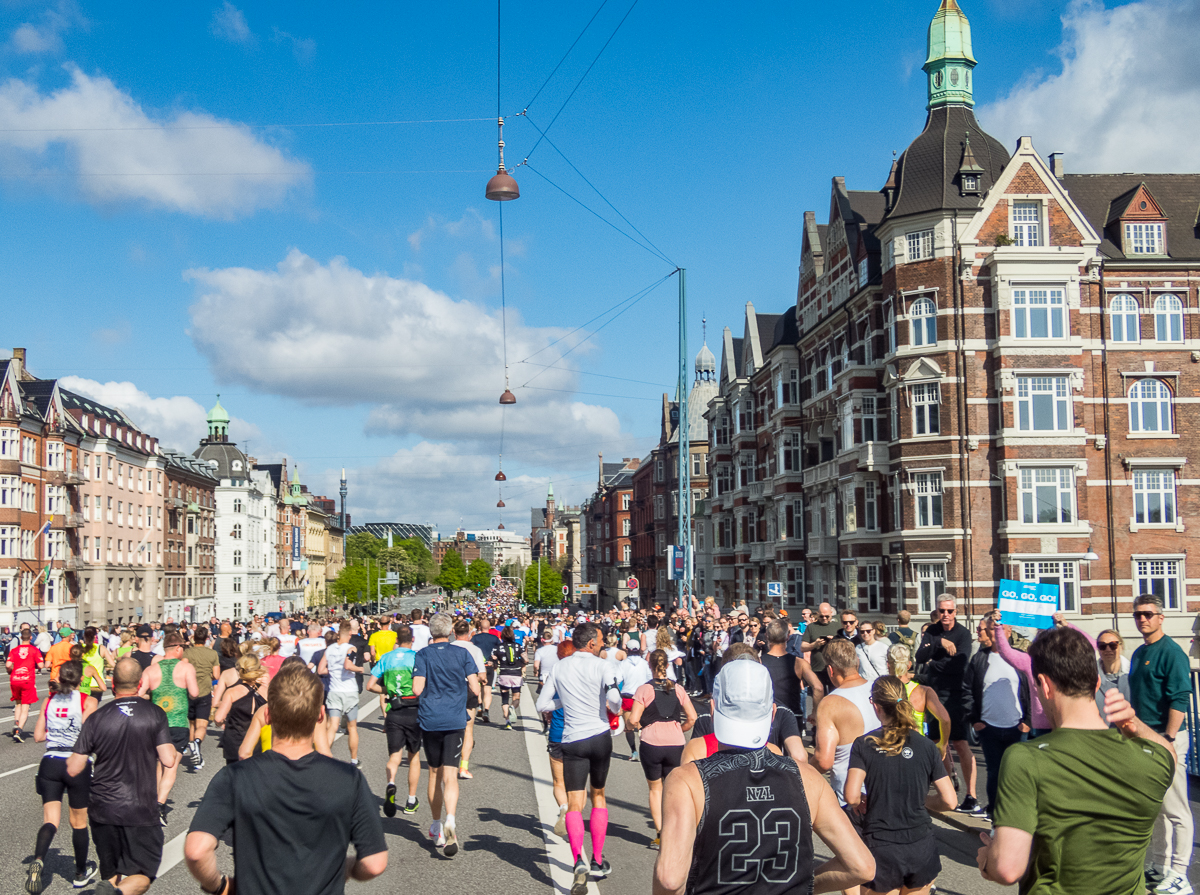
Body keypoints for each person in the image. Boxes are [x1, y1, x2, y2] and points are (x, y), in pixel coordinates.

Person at [976, 626, 1175, 895]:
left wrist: (988, 859)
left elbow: (1007, 869)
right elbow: (1168, 753)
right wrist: (1133, 724)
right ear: (1095, 683)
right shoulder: (1150, 761)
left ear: (1044, 686)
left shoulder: (1026, 758)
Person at [652, 659, 875, 895]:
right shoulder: (808, 778)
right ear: (772, 713)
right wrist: (804, 885)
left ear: (713, 709)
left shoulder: (687, 780)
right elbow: (862, 866)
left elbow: (670, 879)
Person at [185, 664, 388, 895]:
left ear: (268, 715)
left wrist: (220, 886)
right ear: (320, 715)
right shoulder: (349, 779)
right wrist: (348, 868)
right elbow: (374, 863)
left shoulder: (235, 777)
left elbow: (196, 851)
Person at [66, 657, 177, 895]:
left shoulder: (97, 717)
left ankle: (108, 891)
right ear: (140, 683)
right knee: (142, 876)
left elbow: (74, 767)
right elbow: (168, 759)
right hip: (140, 808)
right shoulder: (155, 714)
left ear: (113, 683)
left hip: (103, 807)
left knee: (111, 875)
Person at [844, 675, 957, 895]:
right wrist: (922, 800)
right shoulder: (926, 746)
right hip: (921, 845)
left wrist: (861, 800)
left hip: (883, 845)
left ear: (875, 705)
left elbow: (851, 796)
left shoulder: (864, 744)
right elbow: (950, 801)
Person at [535, 622, 622, 894]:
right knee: (598, 795)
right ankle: (597, 858)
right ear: (592, 644)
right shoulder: (602, 665)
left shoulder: (560, 666)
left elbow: (541, 704)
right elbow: (615, 697)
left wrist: (563, 703)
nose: (602, 645)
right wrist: (614, 709)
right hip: (598, 736)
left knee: (574, 803)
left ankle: (577, 861)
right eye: (600, 641)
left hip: (572, 738)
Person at [1129, 594, 1194, 894]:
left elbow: (1180, 698)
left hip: (1167, 740)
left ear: (1160, 617)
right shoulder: (1140, 652)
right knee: (1156, 808)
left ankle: (1181, 874)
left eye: (1148, 614)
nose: (1143, 619)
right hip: (1145, 740)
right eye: (1138, 615)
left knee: (1177, 808)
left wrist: (1168, 739)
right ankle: (1160, 865)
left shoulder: (1172, 653)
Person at [26, 660, 100, 894]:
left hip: (50, 762)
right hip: (75, 763)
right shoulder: (88, 701)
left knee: (51, 820)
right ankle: (80, 873)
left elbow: (38, 736)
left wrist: (56, 731)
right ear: (80, 680)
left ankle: (38, 859)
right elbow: (90, 738)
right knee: (78, 823)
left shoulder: (48, 701)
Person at [412, 613, 481, 857]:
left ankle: (435, 824)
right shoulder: (463, 654)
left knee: (434, 773)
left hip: (431, 719)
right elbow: (474, 686)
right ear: (450, 631)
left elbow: (417, 688)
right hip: (455, 719)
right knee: (451, 775)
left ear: (431, 632)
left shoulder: (423, 655)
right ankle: (451, 820)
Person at [914, 595, 977, 813]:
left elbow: (959, 663)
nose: (946, 615)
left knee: (959, 743)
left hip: (954, 693)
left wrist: (935, 663)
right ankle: (949, 791)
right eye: (942, 611)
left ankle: (971, 795)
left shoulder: (963, 634)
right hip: (934, 692)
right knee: (937, 743)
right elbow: (920, 658)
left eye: (949, 611)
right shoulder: (932, 631)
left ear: (955, 612)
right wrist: (939, 643)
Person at [628, 649, 697, 847]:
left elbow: (633, 719)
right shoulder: (678, 689)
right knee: (674, 789)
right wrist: (679, 729)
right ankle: (678, 830)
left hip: (652, 743)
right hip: (675, 743)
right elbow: (692, 718)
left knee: (655, 789)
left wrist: (640, 726)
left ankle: (661, 834)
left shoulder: (644, 690)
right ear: (668, 665)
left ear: (650, 666)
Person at [963, 617, 1028, 820]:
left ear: (1009, 632)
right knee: (993, 772)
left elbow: (1030, 691)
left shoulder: (1019, 658)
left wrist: (1028, 722)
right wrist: (975, 720)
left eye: (999, 628)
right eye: (991, 628)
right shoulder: (980, 659)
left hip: (1017, 726)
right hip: (988, 726)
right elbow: (967, 690)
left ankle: (1015, 814)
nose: (994, 632)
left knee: (1017, 773)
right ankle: (993, 812)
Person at [137, 632, 198, 826]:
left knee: (158, 764)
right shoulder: (186, 667)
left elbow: (139, 694)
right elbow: (195, 693)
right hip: (178, 722)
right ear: (178, 648)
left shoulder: (151, 669)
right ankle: (159, 805)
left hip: (155, 723)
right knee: (171, 766)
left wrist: (153, 697)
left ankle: (152, 801)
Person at [813, 638, 876, 809]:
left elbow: (823, 761)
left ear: (831, 670)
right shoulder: (880, 689)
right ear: (857, 662)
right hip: (884, 789)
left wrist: (803, 769)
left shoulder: (830, 703)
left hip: (851, 797)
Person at [367, 624, 422, 817]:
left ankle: (391, 783)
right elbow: (422, 685)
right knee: (413, 756)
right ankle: (411, 800)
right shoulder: (417, 657)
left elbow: (370, 685)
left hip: (393, 711)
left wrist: (388, 691)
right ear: (412, 640)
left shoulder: (386, 658)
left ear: (396, 640)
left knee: (394, 757)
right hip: (413, 709)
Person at [318, 621, 365, 768]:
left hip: (334, 690)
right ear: (350, 633)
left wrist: (332, 671)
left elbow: (320, 670)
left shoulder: (329, 649)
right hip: (349, 691)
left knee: (332, 726)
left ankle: (324, 757)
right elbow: (348, 665)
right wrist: (359, 669)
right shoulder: (351, 648)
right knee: (352, 727)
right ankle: (354, 760)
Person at [214, 655, 268, 765]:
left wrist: (223, 722)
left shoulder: (232, 692)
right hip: (258, 742)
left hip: (235, 742)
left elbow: (218, 718)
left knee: (235, 777)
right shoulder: (266, 691)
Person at [450, 620, 486, 779]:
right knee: (468, 728)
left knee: (449, 726)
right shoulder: (475, 650)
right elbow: (482, 675)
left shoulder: (449, 648)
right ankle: (463, 767)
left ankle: (449, 762)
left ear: (454, 633)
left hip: (449, 689)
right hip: (469, 689)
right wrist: (480, 681)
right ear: (469, 633)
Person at [182, 627, 219, 770]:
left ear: (194, 638)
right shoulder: (212, 654)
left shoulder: (188, 653)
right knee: (202, 725)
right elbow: (216, 675)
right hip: (204, 692)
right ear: (205, 639)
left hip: (189, 691)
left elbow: (182, 668)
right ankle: (197, 743)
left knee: (191, 724)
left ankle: (193, 748)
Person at [8, 627, 45, 742]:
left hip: (15, 680)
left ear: (20, 637)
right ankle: (19, 730)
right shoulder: (34, 650)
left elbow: (9, 664)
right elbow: (41, 665)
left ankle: (16, 723)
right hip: (27, 680)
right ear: (30, 638)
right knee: (25, 707)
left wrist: (11, 671)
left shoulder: (14, 650)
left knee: (18, 703)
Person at [618, 642, 652, 760]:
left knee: (629, 727)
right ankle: (646, 752)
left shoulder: (622, 664)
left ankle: (634, 752)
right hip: (642, 696)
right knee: (643, 726)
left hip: (628, 697)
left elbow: (617, 680)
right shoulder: (645, 664)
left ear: (627, 649)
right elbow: (650, 679)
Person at [800, 602, 840, 691]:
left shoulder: (838, 626)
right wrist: (814, 644)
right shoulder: (812, 627)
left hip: (834, 668)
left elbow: (844, 645)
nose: (824, 618)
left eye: (827, 616)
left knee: (833, 697)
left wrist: (834, 641)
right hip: (817, 668)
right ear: (818, 614)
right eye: (821, 616)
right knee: (819, 696)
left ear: (831, 614)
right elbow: (803, 647)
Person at [492, 625, 526, 730]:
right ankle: (513, 707)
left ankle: (507, 722)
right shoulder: (518, 646)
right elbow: (525, 659)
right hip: (516, 674)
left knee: (505, 699)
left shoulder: (498, 647)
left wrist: (495, 663)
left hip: (504, 674)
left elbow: (493, 659)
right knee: (516, 697)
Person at [470, 616, 501, 723]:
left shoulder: (475, 638)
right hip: (489, 666)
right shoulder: (495, 638)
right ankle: (486, 710)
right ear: (489, 627)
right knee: (487, 689)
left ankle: (479, 706)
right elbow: (499, 651)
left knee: (478, 687)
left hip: (478, 666)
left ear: (479, 627)